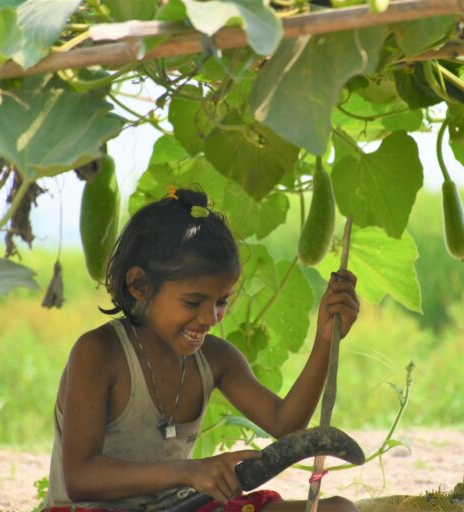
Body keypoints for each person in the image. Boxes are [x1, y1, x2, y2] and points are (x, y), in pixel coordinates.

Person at [44, 187, 361, 512]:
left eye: (221, 301)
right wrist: (187, 471)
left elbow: (286, 426)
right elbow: (80, 478)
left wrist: (325, 341)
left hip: (180, 507)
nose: (211, 318)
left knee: (340, 509)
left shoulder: (216, 359)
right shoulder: (98, 353)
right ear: (139, 285)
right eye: (193, 302)